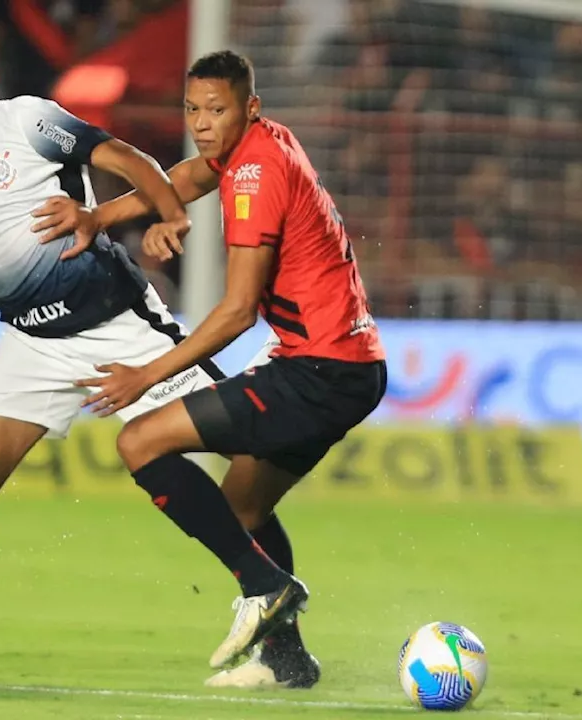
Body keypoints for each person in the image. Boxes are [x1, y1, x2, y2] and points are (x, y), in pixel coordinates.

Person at [0, 26, 286, 674]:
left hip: (116, 324)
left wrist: (167, 214)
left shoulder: (27, 119)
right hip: (31, 342)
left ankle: (282, 635)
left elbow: (127, 159)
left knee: (241, 457)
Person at [35, 50, 387, 688]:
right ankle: (285, 662)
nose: (201, 122)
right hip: (350, 366)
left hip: (317, 369)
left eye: (216, 110)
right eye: (192, 108)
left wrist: (144, 377)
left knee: (141, 440)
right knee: (242, 510)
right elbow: (193, 176)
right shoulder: (264, 143)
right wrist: (102, 217)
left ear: (249, 108)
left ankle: (266, 588)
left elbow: (236, 313)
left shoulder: (254, 174)